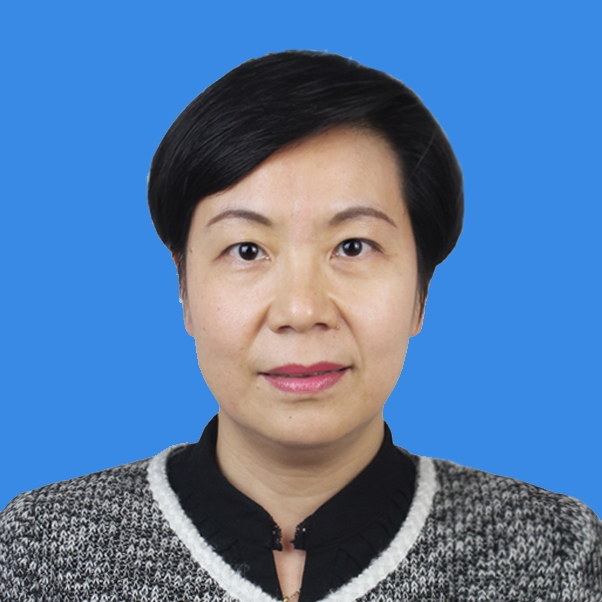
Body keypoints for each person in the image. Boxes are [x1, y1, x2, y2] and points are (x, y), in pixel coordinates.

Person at [1, 50, 600, 602]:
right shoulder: (40, 551)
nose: (300, 310)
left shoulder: (556, 554)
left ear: (421, 292)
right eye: (246, 250)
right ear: (184, 289)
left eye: (354, 246)